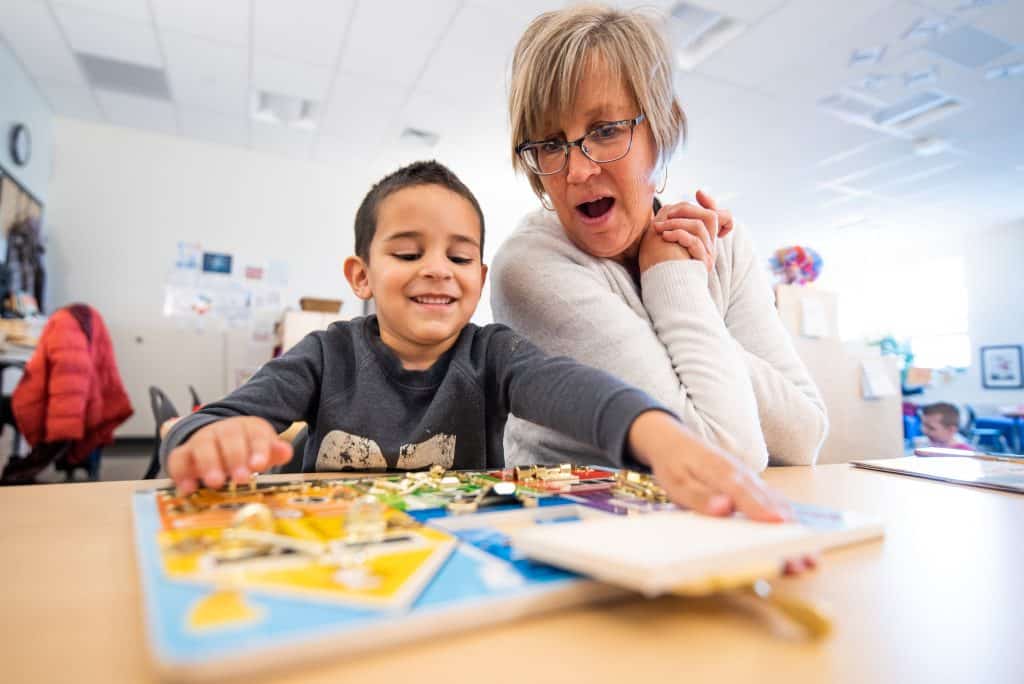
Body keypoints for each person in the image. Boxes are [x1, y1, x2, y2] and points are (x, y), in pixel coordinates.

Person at [163, 161, 789, 520]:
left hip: (451, 561)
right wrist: (208, 440)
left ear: (480, 279)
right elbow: (213, 422)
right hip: (334, 548)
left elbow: (573, 388)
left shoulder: (491, 354)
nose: (438, 268)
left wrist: (659, 436)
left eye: (460, 257)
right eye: (408, 252)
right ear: (360, 275)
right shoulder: (326, 356)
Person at [492, 5, 828, 494]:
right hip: (571, 528)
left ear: (663, 130)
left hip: (706, 528)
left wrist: (679, 281)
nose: (577, 171)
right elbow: (727, 452)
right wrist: (674, 286)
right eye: (549, 143)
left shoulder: (720, 245)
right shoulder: (528, 268)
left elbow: (805, 437)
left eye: (605, 130)